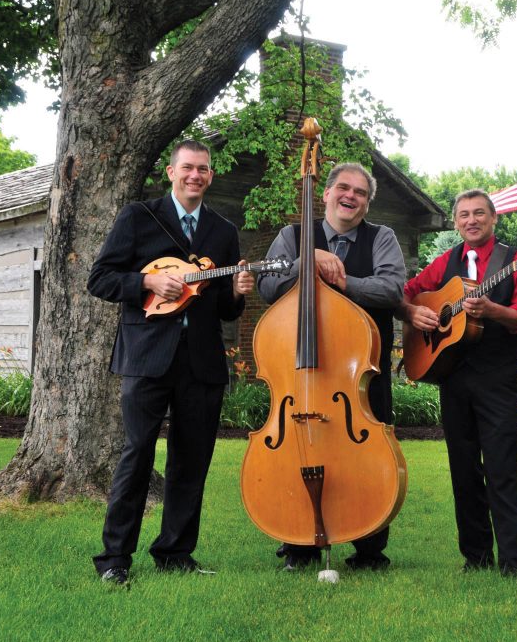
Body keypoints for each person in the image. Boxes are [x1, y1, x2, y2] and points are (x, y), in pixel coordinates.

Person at [88, 139, 255, 586]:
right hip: (146, 356)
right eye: (188, 168)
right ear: (171, 171)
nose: (195, 175)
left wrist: (237, 292)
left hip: (201, 361)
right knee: (137, 454)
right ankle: (115, 559)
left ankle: (175, 552)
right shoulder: (139, 217)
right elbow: (100, 278)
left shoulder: (222, 230)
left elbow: (225, 309)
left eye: (203, 169)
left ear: (211, 176)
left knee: (192, 460)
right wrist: (146, 280)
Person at [257, 162, 406, 571]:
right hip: (300, 375)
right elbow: (267, 286)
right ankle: (298, 543)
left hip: (359, 373)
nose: (351, 196)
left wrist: (343, 281)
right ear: (324, 193)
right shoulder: (292, 236)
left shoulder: (382, 237)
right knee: (296, 449)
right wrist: (308, 260)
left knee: (368, 454)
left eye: (360, 192)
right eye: (343, 187)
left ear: (367, 203)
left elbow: (393, 289)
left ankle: (369, 547)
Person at [398, 189, 517, 577]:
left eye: (479, 213)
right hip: (453, 376)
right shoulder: (445, 262)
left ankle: (513, 562)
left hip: (497, 378)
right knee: (463, 469)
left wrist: (494, 310)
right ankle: (476, 556)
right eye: (463, 215)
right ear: (456, 221)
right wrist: (414, 314)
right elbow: (410, 292)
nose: (471, 220)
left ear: (493, 219)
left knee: (502, 469)